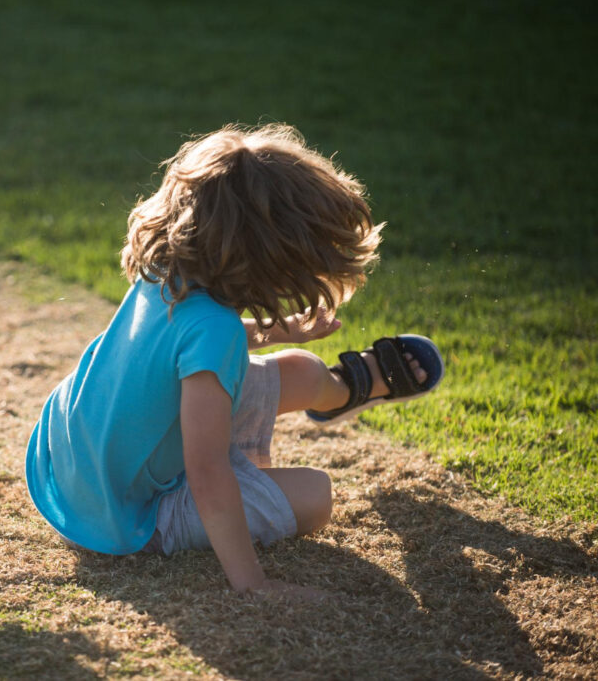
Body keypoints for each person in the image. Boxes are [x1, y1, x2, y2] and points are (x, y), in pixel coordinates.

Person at [24, 123, 444, 598]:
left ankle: (347, 391)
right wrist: (253, 583)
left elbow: (188, 347)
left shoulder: (166, 270)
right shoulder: (215, 329)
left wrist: (284, 330)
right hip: (118, 513)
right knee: (315, 495)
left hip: (72, 456)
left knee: (304, 369)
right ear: (272, 256)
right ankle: (272, 453)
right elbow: (206, 471)